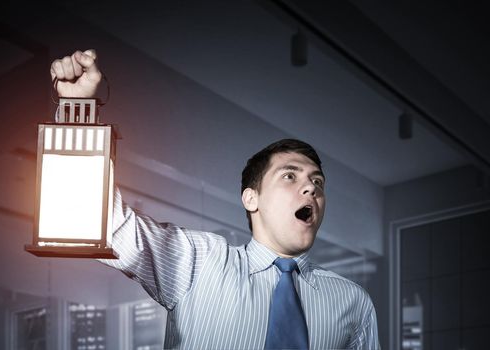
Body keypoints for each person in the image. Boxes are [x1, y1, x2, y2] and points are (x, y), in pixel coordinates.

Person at [51, 50, 380, 349]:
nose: (311, 189)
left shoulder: (352, 302)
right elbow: (103, 225)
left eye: (317, 181)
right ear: (251, 198)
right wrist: (76, 109)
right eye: (290, 176)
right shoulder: (198, 262)